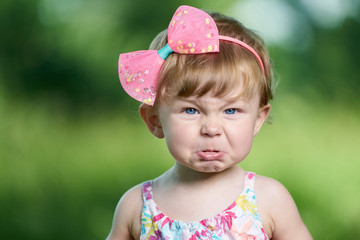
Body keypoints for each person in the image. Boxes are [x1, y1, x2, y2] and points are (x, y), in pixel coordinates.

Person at [107, 5, 312, 240]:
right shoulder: (137, 207)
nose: (212, 129)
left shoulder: (270, 200)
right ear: (155, 121)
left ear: (257, 119)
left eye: (231, 110)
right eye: (191, 110)